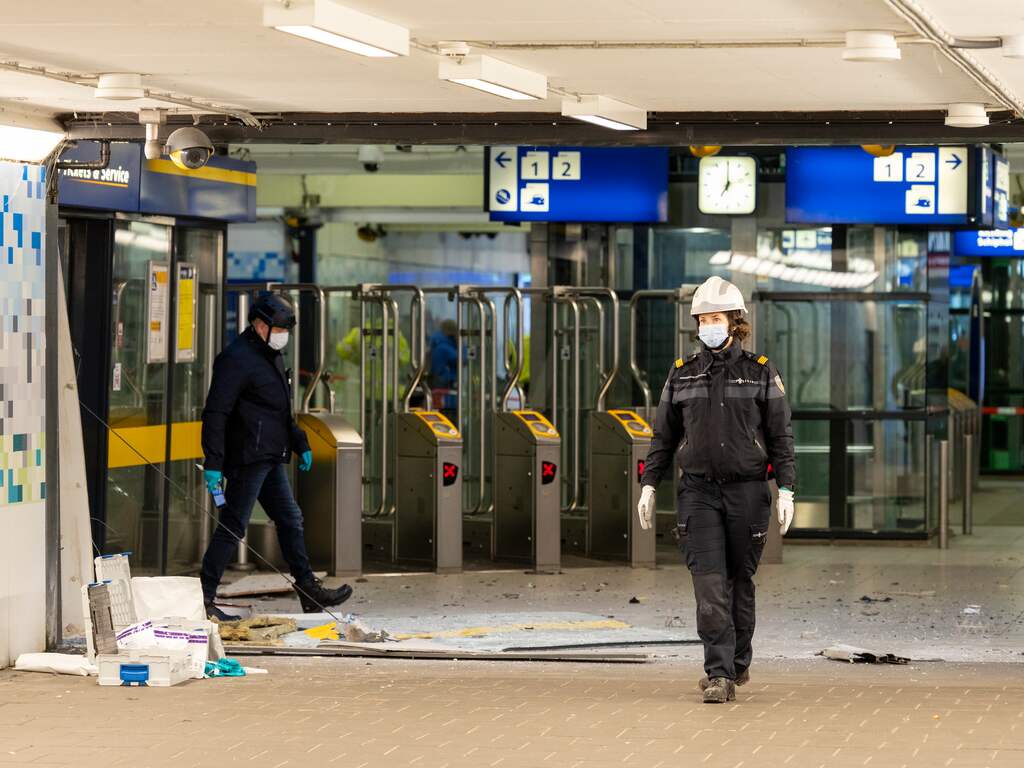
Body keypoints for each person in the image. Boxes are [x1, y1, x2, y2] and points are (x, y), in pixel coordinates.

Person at [636, 276, 796, 704]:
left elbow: (781, 437)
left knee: (739, 581)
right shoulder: (682, 373)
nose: (708, 325)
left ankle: (738, 663)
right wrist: (649, 484)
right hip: (698, 493)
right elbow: (663, 437)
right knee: (709, 584)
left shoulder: (761, 372)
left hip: (748, 493)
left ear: (735, 322)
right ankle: (719, 673)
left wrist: (787, 489)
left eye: (716, 318)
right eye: (703, 319)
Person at [200, 292, 353, 621]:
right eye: (279, 329)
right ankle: (204, 598)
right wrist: (213, 462)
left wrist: (300, 441)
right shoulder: (235, 359)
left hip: (270, 455)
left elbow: (279, 409)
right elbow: (216, 413)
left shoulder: (272, 356)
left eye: (286, 330)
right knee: (233, 526)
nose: (283, 336)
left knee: (290, 519)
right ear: (260, 325)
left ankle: (308, 589)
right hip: (247, 457)